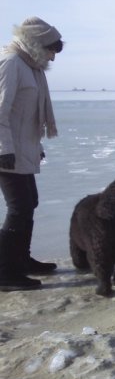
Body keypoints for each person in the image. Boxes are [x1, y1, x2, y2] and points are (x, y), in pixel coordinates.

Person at [0, 17, 63, 291]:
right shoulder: (11, 63)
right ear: (36, 44)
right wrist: (3, 150)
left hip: (22, 149)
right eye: (51, 49)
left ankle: (20, 261)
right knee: (20, 207)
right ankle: (5, 272)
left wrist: (36, 147)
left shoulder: (30, 67)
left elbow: (27, 117)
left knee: (29, 203)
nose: (53, 56)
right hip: (6, 151)